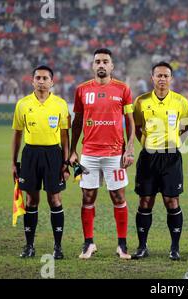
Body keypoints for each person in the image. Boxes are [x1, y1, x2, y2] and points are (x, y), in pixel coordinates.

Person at [69, 48, 135, 260]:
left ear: (111, 66)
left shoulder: (123, 89)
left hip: (115, 154)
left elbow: (130, 122)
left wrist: (130, 147)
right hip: (88, 154)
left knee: (118, 196)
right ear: (92, 65)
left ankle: (122, 246)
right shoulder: (81, 90)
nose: (101, 65)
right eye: (97, 61)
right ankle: (89, 244)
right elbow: (77, 122)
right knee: (87, 196)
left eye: (105, 61)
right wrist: (72, 150)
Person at [132, 61, 188, 261]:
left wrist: (177, 144)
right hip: (148, 157)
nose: (162, 79)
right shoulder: (141, 101)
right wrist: (145, 145)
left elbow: (186, 127)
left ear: (171, 79)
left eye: (166, 76)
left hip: (171, 157)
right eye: (159, 75)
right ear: (152, 78)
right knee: (145, 200)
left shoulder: (181, 102)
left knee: (171, 201)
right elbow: (136, 126)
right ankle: (142, 246)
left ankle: (174, 248)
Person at [12, 65, 70, 259]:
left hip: (53, 154)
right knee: (31, 200)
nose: (41, 81)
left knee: (55, 199)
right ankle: (29, 246)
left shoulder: (60, 104)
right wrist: (13, 162)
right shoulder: (22, 104)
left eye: (45, 78)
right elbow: (17, 135)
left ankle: (58, 247)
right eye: (38, 78)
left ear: (52, 82)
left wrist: (66, 161)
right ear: (32, 81)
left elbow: (64, 135)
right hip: (30, 154)